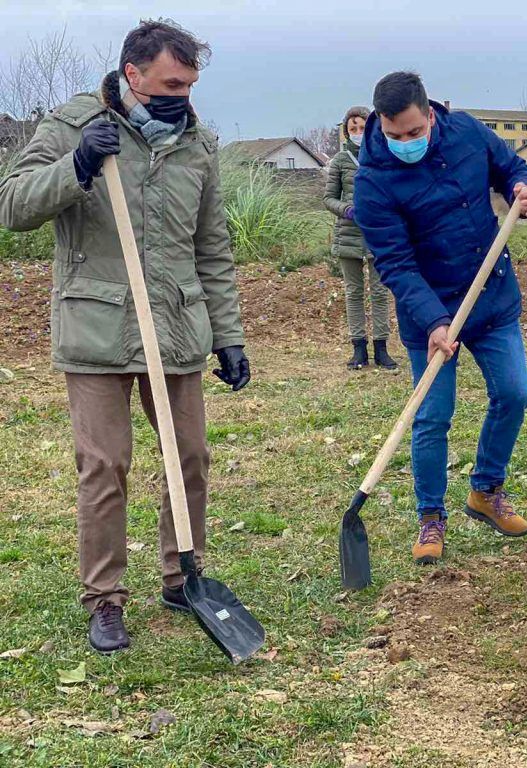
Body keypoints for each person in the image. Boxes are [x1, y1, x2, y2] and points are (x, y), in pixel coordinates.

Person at [0, 20, 249, 654]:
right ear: (132, 73)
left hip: (174, 323)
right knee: (105, 465)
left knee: (188, 457)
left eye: (190, 85)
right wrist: (77, 165)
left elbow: (212, 246)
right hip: (97, 325)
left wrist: (229, 335)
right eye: (171, 83)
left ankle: (182, 573)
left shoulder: (197, 142)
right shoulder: (72, 125)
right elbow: (12, 206)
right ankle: (105, 598)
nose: (182, 97)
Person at [354, 72, 527, 565]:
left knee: (514, 393)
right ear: (380, 125)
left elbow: (510, 165)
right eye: (395, 137)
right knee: (433, 416)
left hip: (492, 296)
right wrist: (435, 320)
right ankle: (431, 516)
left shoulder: (466, 132)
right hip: (430, 313)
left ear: (430, 114)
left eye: (414, 133)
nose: (405, 144)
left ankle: (485, 490)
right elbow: (394, 263)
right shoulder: (372, 180)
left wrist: (523, 188)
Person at [323, 105, 397, 370]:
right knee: (353, 292)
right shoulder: (340, 161)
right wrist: (347, 209)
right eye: (352, 128)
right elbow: (328, 198)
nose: (357, 132)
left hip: (378, 235)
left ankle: (382, 348)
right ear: (346, 131)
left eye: (362, 128)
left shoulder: (384, 157)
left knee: (379, 291)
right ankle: (358, 349)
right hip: (348, 234)